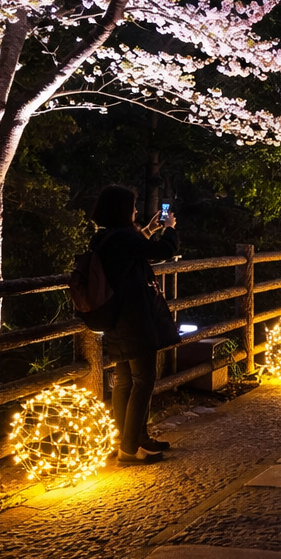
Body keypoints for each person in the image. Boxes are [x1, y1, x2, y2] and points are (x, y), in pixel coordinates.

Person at [90, 184, 179, 464]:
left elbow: (134, 249)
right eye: (133, 206)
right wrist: (170, 228)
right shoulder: (124, 239)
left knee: (125, 382)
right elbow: (164, 250)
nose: (137, 211)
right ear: (122, 209)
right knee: (143, 381)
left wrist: (150, 229)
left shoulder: (105, 238)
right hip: (135, 319)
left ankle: (133, 440)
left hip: (117, 320)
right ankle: (129, 447)